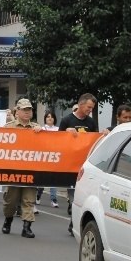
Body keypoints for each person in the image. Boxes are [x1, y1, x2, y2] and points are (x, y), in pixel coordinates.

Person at [59, 93, 102, 235]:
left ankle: (73, 224)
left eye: (92, 108)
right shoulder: (67, 120)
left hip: (85, 167)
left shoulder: (91, 122)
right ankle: (74, 223)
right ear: (81, 104)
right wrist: (66, 133)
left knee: (82, 198)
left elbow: (96, 142)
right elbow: (57, 141)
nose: (90, 110)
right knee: (73, 198)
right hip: (71, 166)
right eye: (89, 107)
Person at [1, 98, 42, 238]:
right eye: (24, 110)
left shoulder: (37, 128)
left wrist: (41, 133)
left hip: (31, 170)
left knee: (29, 199)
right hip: (13, 170)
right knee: (11, 200)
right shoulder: (8, 127)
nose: (27, 112)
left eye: (29, 109)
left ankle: (27, 227)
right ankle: (8, 220)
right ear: (17, 111)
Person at [36, 111, 60, 209]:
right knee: (43, 179)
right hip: (44, 157)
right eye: (48, 117)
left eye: (52, 117)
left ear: (54, 119)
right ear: (45, 118)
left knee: (53, 179)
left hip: (55, 157)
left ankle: (53, 199)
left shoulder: (58, 130)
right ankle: (38, 194)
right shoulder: (41, 129)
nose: (50, 118)